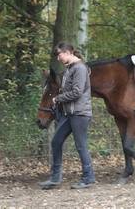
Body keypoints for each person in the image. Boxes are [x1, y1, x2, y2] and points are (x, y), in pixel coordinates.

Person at [39, 42, 95, 189]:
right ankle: (55, 178)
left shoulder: (80, 68)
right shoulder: (70, 69)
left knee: (81, 146)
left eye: (60, 54)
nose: (58, 58)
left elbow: (77, 92)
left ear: (68, 52)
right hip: (69, 114)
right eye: (57, 55)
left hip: (80, 114)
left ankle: (88, 178)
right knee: (56, 141)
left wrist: (58, 99)